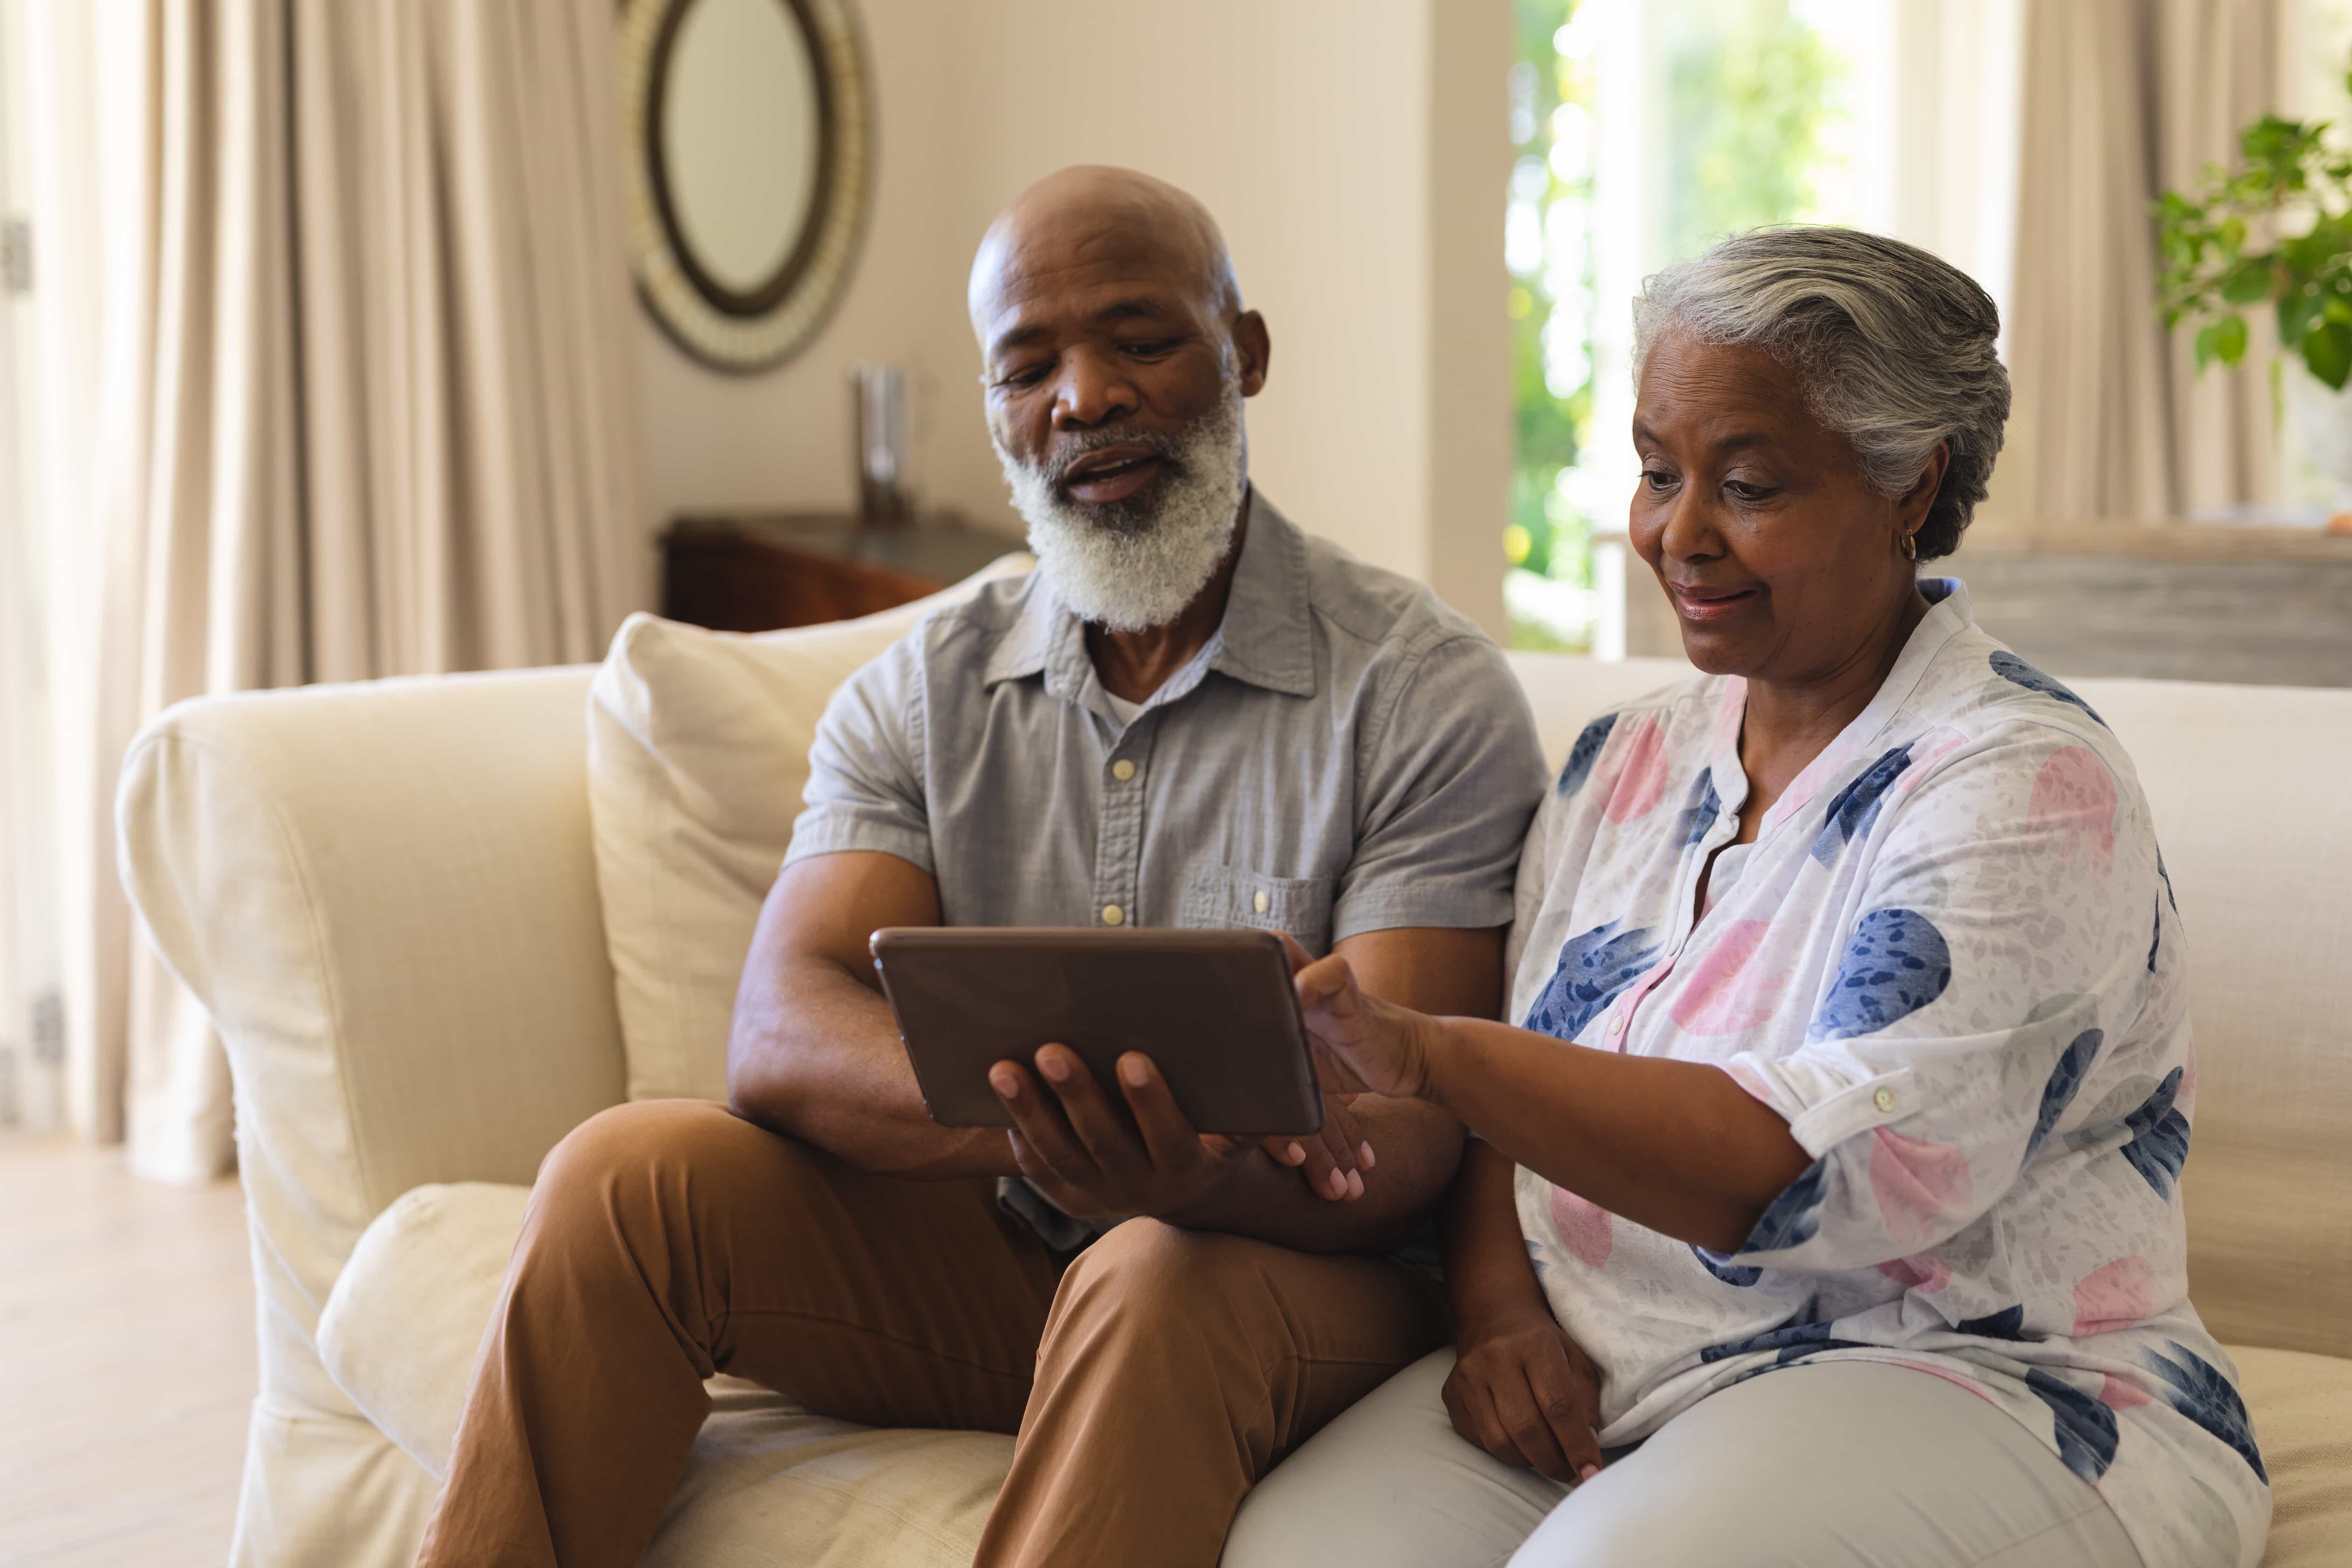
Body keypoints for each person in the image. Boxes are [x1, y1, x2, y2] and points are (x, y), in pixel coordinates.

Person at [411, 166, 1546, 1568]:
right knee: (623, 1176)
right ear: (1003, 411)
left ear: (1242, 354)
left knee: (1152, 1270)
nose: (1087, 397)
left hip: (1301, 1281)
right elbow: (780, 1032)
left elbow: (1410, 1133)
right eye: (1030, 366)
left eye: (1141, 340)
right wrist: (1046, 1131)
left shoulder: (1422, 691)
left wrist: (1186, 1176)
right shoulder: (922, 689)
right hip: (997, 1248)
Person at [1241, 228, 2271, 1568]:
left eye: (1750, 484)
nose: (1681, 534)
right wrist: (1499, 1310)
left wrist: (1432, 1056)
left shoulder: (2023, 780)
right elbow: (1530, 1102)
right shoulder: (1626, 763)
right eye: (1659, 473)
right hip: (1630, 1381)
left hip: (1984, 1384)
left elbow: (1818, 1178)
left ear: (1913, 483)